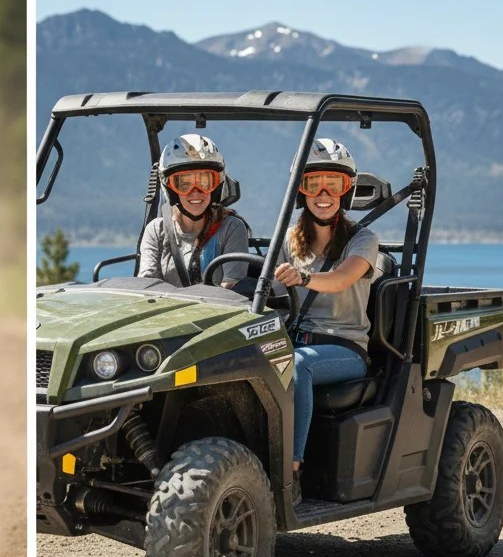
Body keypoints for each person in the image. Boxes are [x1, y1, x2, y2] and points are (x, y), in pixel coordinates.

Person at [274, 138, 378, 504]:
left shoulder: (363, 239)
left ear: (346, 191)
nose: (323, 194)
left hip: (344, 347)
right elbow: (271, 293)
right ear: (300, 190)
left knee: (297, 368)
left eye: (333, 185)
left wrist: (302, 278)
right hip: (295, 339)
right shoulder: (289, 239)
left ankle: (290, 472)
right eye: (312, 184)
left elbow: (342, 280)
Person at [138, 134, 250, 288]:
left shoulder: (231, 228)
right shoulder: (157, 230)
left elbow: (231, 288)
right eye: (184, 183)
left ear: (216, 186)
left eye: (205, 182)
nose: (195, 192)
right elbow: (146, 285)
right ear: (170, 188)